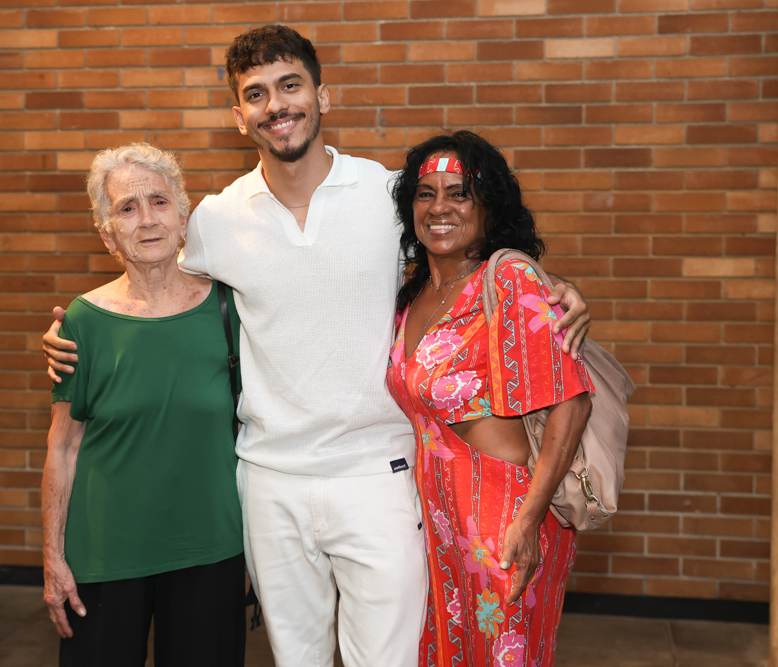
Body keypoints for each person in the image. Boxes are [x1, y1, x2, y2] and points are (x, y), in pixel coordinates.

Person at [43, 25, 591, 667]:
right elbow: (152, 276)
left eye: (290, 85)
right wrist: (77, 327)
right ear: (238, 116)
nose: (276, 105)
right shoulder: (216, 218)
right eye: (256, 93)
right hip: (270, 481)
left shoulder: (389, 196)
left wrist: (555, 287)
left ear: (322, 96)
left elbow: (466, 249)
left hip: (379, 473)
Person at [387, 131, 593, 667]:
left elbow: (572, 403)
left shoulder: (509, 279)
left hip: (505, 521)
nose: (439, 207)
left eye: (459, 193)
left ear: (488, 206)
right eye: (425, 193)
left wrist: (528, 521)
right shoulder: (413, 293)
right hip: (437, 524)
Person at [42, 143, 246, 667]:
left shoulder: (230, 309)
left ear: (183, 217)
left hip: (211, 550)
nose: (148, 219)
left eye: (159, 202)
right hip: (105, 555)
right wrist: (53, 557)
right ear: (108, 234)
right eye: (127, 208)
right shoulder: (83, 322)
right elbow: (63, 448)